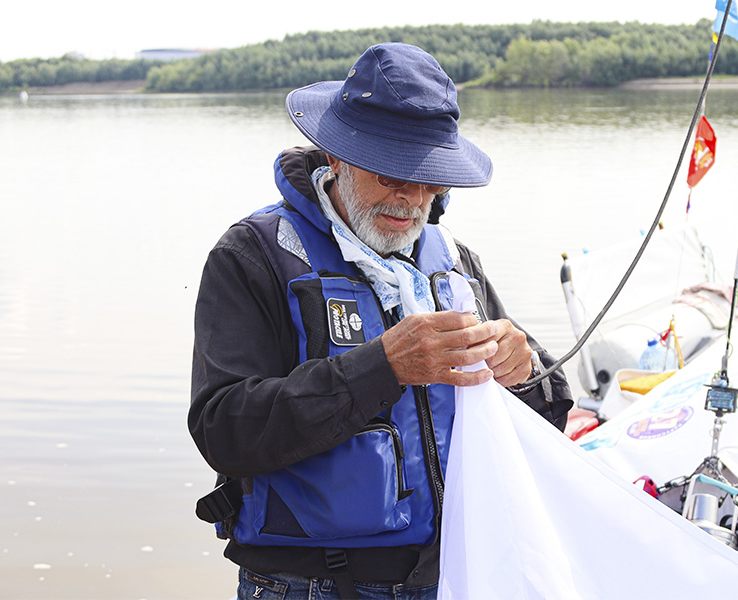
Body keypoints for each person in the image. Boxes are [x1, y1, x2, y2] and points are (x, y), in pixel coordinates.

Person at [189, 42, 573, 600]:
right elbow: (223, 430)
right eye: (391, 173)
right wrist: (383, 367)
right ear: (336, 156)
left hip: (454, 575)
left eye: (429, 178)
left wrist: (526, 373)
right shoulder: (252, 255)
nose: (411, 198)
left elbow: (550, 413)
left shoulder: (454, 260)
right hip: (307, 584)